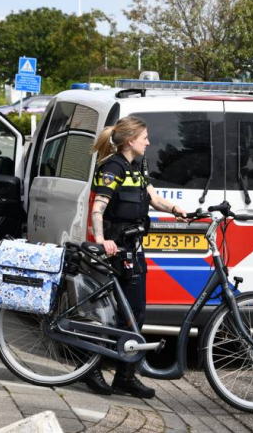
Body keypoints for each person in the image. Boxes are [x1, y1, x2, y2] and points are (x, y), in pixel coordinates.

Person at [83, 116, 187, 399]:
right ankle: (91, 371)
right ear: (131, 141)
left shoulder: (137, 167)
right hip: (115, 252)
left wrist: (177, 209)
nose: (149, 142)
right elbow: (98, 208)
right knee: (111, 315)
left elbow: (153, 198)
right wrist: (102, 240)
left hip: (133, 249)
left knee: (135, 313)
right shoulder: (113, 167)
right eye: (145, 138)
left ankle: (125, 376)